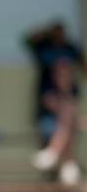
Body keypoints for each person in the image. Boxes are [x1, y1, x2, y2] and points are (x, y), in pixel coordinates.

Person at [31, 57, 82, 185]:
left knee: (69, 122)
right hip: (48, 122)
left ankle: (53, 152)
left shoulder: (73, 87)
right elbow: (52, 105)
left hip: (64, 125)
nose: (64, 75)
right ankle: (69, 162)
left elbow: (72, 108)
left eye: (67, 72)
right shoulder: (46, 85)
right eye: (61, 72)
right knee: (69, 122)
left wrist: (66, 89)